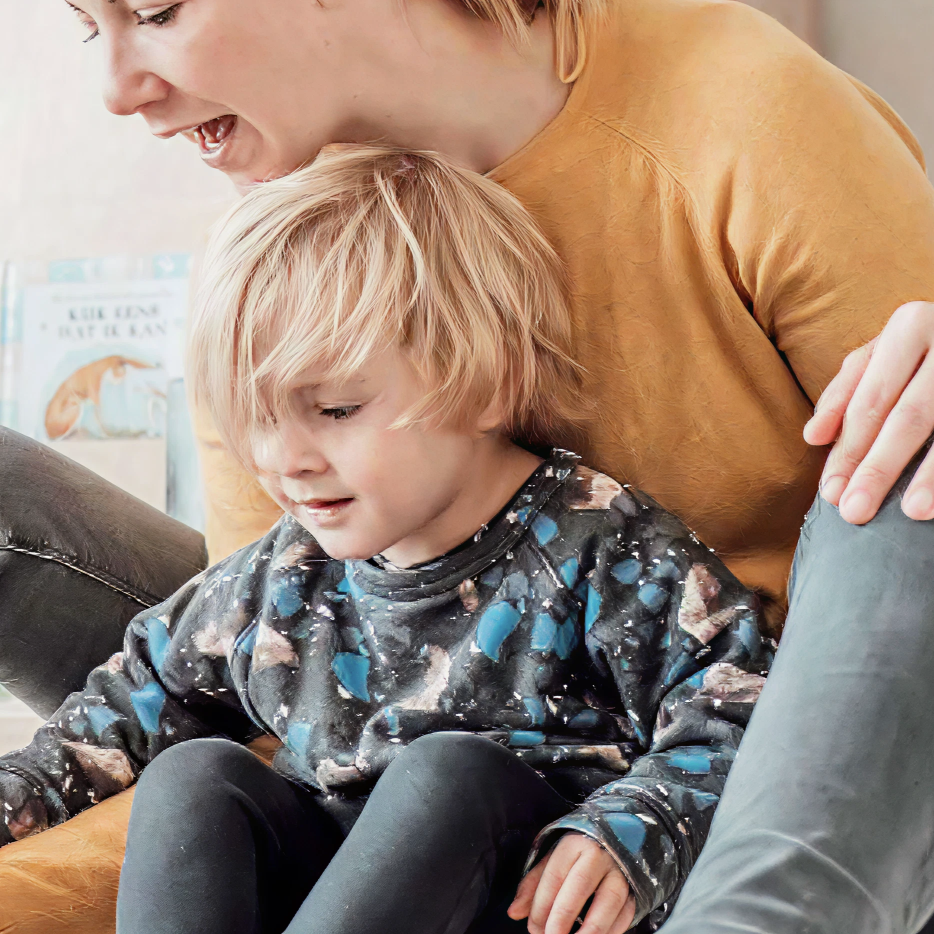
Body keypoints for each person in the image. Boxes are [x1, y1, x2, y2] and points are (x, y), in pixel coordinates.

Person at [0, 146, 774, 934]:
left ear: (488, 384)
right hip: (337, 893)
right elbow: (135, 697)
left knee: (448, 773)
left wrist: (637, 823)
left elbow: (745, 703)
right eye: (258, 418)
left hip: (518, 895)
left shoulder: (602, 545)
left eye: (336, 410)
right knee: (197, 775)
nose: (285, 459)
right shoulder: (283, 571)